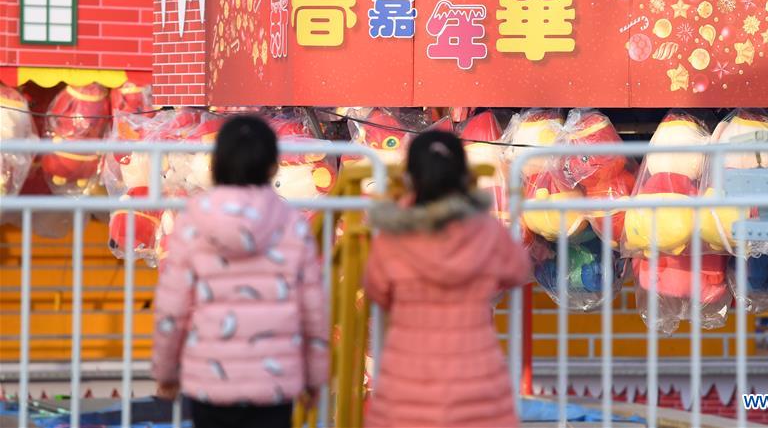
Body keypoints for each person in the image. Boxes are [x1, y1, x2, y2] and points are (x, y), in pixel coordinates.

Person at [152, 115, 328, 428]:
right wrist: (315, 377)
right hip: (274, 382)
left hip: (209, 379)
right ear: (273, 166)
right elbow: (313, 309)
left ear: (216, 163)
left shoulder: (193, 220)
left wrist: (166, 372)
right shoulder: (292, 223)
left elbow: (173, 306)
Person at [364, 130, 531, 428]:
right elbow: (517, 269)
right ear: (463, 174)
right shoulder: (484, 228)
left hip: (409, 376)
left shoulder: (393, 234)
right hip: (473, 372)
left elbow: (377, 287)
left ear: (410, 176)